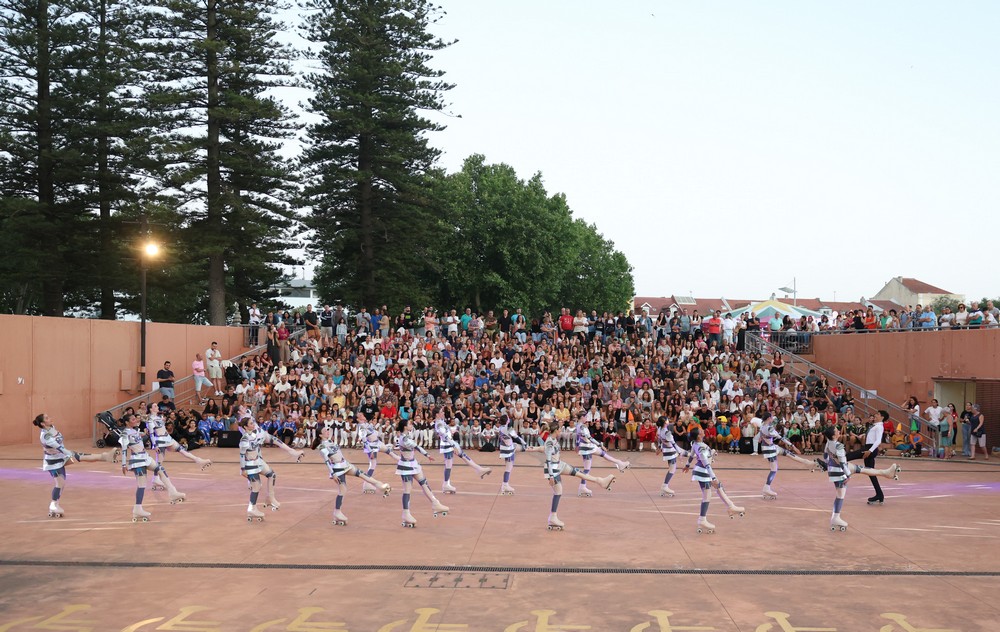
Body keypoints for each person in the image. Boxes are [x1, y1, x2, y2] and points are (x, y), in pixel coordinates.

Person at [33, 413, 115, 518]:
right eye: (47, 418)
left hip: (61, 457)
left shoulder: (52, 428)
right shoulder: (45, 436)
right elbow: (58, 447)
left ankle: (105, 457)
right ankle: (53, 504)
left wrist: (68, 453)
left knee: (79, 457)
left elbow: (60, 443)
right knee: (60, 483)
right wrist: (68, 453)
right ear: (43, 424)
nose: (50, 418)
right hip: (53, 462)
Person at [539, 421, 615, 530]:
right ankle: (552, 517)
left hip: (560, 465)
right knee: (558, 492)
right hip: (553, 470)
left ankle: (601, 481)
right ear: (556, 431)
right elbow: (548, 461)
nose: (560, 431)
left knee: (579, 473)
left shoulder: (554, 439)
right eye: (559, 429)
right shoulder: (550, 443)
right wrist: (551, 476)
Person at [823, 425, 900, 531]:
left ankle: (886, 473)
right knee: (840, 496)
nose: (839, 431)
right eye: (837, 430)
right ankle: (835, 517)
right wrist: (848, 475)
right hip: (840, 473)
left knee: (861, 469)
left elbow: (826, 456)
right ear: (833, 435)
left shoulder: (828, 443)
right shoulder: (839, 446)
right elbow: (842, 462)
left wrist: (828, 464)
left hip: (833, 470)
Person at [315, 425, 391, 525]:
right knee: (343, 490)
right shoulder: (322, 446)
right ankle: (337, 512)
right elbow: (327, 461)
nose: (328, 432)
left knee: (362, 474)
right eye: (325, 431)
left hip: (345, 464)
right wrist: (333, 474)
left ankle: (381, 486)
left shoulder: (330, 442)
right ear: (320, 435)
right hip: (338, 469)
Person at [119, 412, 184, 521]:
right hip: (138, 460)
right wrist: (124, 464)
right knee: (141, 485)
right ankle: (137, 509)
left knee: (160, 469)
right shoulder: (124, 434)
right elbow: (124, 449)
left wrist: (144, 433)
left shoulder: (135, 430)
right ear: (127, 422)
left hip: (146, 457)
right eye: (133, 419)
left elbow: (139, 437)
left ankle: (173, 492)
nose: (135, 420)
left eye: (135, 418)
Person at [238, 417, 305, 521]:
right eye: (251, 423)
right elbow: (242, 455)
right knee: (256, 487)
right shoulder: (245, 439)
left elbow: (270, 440)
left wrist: (292, 451)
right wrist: (243, 469)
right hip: (250, 465)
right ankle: (251, 508)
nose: (254, 424)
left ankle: (270, 498)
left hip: (258, 462)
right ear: (246, 427)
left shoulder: (255, 434)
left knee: (272, 474)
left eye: (253, 422)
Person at [683, 425, 745, 534]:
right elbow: (706, 464)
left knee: (718, 486)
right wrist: (714, 477)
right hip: (703, 472)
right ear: (698, 435)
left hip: (703, 471)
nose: (703, 430)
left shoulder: (696, 444)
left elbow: (692, 455)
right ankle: (702, 519)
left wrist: (687, 465)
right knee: (707, 496)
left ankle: (731, 506)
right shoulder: (701, 447)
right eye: (701, 430)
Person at [393, 418, 449, 527]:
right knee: (407, 490)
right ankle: (406, 513)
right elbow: (416, 446)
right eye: (409, 423)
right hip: (406, 466)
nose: (411, 424)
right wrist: (427, 455)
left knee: (424, 483)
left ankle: (435, 503)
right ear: (404, 426)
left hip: (413, 464)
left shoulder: (406, 436)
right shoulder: (404, 439)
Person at [757, 412, 817, 500]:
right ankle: (766, 487)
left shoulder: (762, 425)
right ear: (769, 418)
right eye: (772, 417)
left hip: (771, 447)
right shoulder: (769, 428)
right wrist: (793, 446)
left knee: (788, 454)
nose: (773, 418)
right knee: (774, 469)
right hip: (770, 449)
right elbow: (781, 438)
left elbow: (761, 437)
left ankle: (807, 463)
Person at [146, 403, 212, 481]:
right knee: (159, 462)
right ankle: (156, 479)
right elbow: (151, 434)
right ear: (151, 409)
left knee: (182, 450)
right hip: (160, 441)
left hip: (168, 438)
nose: (157, 407)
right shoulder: (150, 420)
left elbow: (161, 428)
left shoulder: (159, 417)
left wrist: (163, 421)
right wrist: (155, 445)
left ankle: (199, 460)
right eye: (155, 406)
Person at [434, 409, 492, 494]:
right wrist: (453, 445)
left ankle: (479, 469)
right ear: (437, 414)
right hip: (448, 445)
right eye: (441, 412)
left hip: (451, 443)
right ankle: (446, 484)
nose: (443, 413)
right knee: (449, 466)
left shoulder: (442, 421)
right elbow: (444, 436)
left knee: (462, 456)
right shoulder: (439, 423)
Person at [573, 416, 630, 497]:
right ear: (581, 417)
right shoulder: (582, 426)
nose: (586, 419)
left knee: (587, 469)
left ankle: (582, 487)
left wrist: (577, 445)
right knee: (602, 456)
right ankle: (619, 464)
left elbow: (578, 437)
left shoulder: (578, 425)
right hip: (588, 447)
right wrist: (600, 445)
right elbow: (589, 438)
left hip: (586, 447)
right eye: (585, 417)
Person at [845, 410, 890, 505]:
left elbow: (878, 441)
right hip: (868, 448)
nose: (875, 415)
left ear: (882, 417)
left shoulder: (879, 427)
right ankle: (879, 494)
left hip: (869, 449)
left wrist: (870, 451)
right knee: (871, 473)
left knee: (847, 456)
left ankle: (827, 465)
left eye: (877, 414)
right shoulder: (874, 425)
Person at [496, 414, 542, 495]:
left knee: (521, 449)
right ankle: (505, 485)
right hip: (509, 449)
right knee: (508, 468)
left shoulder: (500, 428)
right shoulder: (508, 429)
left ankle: (538, 448)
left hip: (506, 447)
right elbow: (517, 438)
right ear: (507, 420)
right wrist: (525, 443)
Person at [357, 412, 396, 494]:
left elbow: (374, 433)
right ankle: (366, 484)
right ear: (358, 419)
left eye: (362, 414)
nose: (363, 416)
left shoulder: (367, 424)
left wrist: (383, 433)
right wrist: (370, 450)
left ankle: (367, 483)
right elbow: (364, 440)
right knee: (373, 464)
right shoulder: (361, 427)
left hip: (377, 443)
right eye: (360, 415)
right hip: (372, 447)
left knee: (390, 453)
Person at [655, 416, 689, 497]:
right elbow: (674, 444)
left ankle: (665, 486)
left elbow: (659, 439)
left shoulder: (659, 429)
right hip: (670, 451)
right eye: (667, 420)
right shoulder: (667, 432)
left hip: (667, 451)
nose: (668, 421)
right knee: (672, 469)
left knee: (672, 468)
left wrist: (659, 448)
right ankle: (665, 486)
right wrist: (680, 452)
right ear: (665, 422)